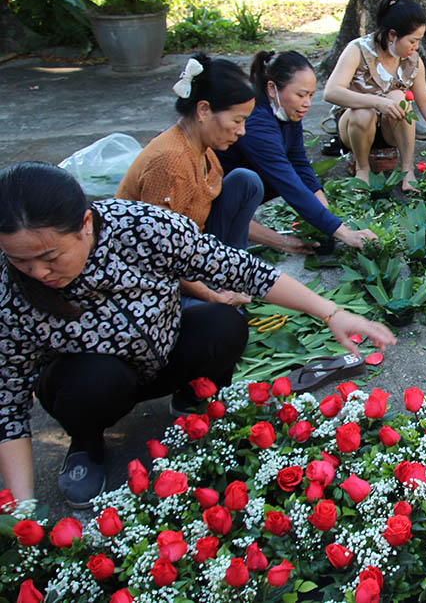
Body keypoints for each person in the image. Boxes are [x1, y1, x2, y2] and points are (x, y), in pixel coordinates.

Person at [0, 162, 395, 508]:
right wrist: (24, 511)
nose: (37, 273)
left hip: (163, 352)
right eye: (20, 260)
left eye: (49, 257)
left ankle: (193, 399)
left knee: (224, 324)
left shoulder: (141, 228)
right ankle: (87, 444)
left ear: (85, 224)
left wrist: (331, 313)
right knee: (98, 378)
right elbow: (9, 407)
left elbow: (240, 270)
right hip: (86, 382)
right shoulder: (9, 292)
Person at [117, 53, 313, 306]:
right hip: (150, 273)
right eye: (237, 120)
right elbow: (160, 257)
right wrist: (215, 297)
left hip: (189, 251)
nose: (242, 131)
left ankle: (230, 273)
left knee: (246, 181)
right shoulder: (171, 162)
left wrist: (282, 242)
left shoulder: (205, 150)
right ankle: (217, 288)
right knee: (224, 324)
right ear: (204, 110)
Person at [217, 50, 377, 250]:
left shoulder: (286, 112)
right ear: (272, 89)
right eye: (300, 95)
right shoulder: (257, 123)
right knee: (265, 181)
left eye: (310, 95)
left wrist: (326, 212)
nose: (307, 103)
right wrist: (344, 234)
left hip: (249, 182)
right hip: (222, 193)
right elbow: (288, 182)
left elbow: (299, 163)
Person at [322, 0, 426, 192]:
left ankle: (407, 170)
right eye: (412, 41)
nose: (416, 47)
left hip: (390, 130)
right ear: (392, 35)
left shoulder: (412, 61)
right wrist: (375, 102)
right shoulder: (357, 50)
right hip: (355, 126)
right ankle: (362, 170)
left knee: (400, 99)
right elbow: (331, 92)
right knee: (364, 111)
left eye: (419, 42)